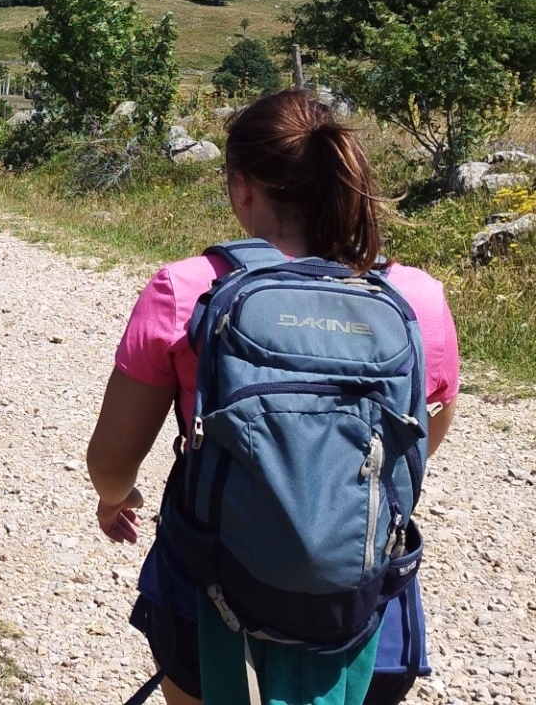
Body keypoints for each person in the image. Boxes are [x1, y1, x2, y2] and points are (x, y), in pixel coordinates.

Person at [86, 90, 460, 705]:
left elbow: (111, 457)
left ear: (242, 187)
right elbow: (421, 434)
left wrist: (115, 498)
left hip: (213, 596)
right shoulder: (418, 297)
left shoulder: (186, 289)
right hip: (364, 598)